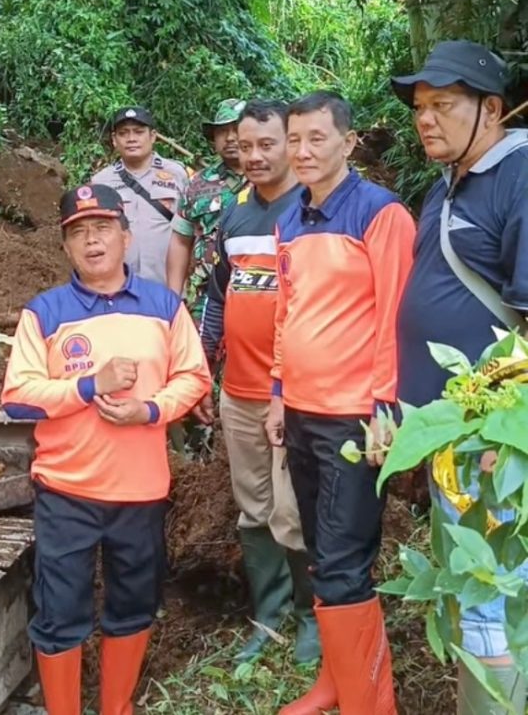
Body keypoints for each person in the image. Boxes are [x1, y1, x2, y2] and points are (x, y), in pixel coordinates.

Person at [0, 183, 211, 715]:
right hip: (66, 492)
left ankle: (117, 706)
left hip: (141, 491)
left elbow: (193, 377)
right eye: (78, 233)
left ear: (126, 236)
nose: (92, 241)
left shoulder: (164, 307)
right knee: (59, 612)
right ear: (65, 246)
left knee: (134, 604)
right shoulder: (45, 313)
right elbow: (18, 397)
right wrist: (88, 386)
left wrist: (151, 410)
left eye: (102, 229)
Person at [391, 40, 528, 715]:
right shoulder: (448, 183)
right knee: (468, 581)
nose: (425, 119)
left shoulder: (519, 176)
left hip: (492, 440)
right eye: (420, 107)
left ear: (491, 110)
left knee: (492, 588)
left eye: (442, 104)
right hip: (450, 434)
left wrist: (508, 432)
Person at [269, 91, 415, 715]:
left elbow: (396, 319)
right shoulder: (291, 217)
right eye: (294, 139)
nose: (302, 151)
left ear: (349, 142)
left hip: (354, 417)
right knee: (321, 552)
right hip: (301, 412)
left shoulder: (381, 214)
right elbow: (286, 312)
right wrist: (278, 392)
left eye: (316, 138)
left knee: (344, 561)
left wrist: (386, 408)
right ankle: (335, 683)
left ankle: (370, 703)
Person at [200, 99, 318, 665]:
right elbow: (218, 296)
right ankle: (268, 616)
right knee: (253, 508)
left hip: (296, 395)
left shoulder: (313, 211)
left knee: (293, 512)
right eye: (245, 146)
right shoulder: (235, 215)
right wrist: (203, 365)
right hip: (239, 392)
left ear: (290, 144)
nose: (253, 156)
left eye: (267, 144)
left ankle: (311, 616)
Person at [166, 98, 246, 322]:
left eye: (237, 129)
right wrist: (173, 299)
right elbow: (180, 241)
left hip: (257, 293)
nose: (230, 138)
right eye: (222, 132)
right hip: (206, 296)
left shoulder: (273, 179)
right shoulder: (198, 183)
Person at [92, 106, 189, 284]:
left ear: (152, 136)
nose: (131, 139)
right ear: (114, 140)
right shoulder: (101, 181)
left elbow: (189, 229)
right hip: (118, 287)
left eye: (138, 132)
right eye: (123, 133)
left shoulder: (177, 174)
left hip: (167, 284)